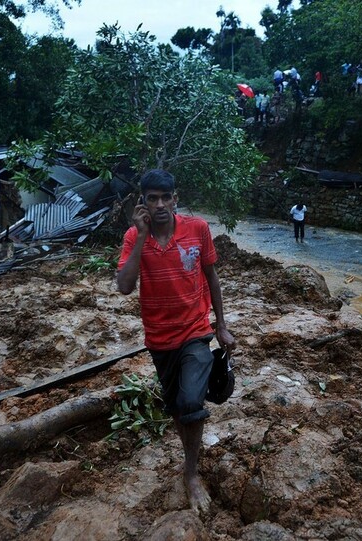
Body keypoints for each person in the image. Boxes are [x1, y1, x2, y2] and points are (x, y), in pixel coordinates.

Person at [116, 169, 236, 514]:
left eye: (165, 197)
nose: (160, 205)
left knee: (190, 401)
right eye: (152, 198)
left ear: (175, 199)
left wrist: (221, 326)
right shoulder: (133, 236)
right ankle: (191, 453)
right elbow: (124, 286)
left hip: (196, 331)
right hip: (159, 338)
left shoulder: (197, 229)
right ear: (143, 202)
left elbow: (211, 277)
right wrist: (141, 236)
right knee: (176, 408)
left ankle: (191, 474)